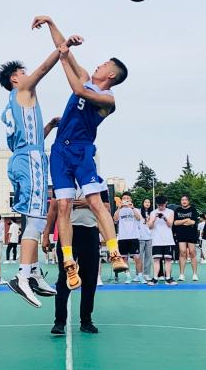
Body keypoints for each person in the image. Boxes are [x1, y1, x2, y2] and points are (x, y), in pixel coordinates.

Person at [47, 29, 130, 289]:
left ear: (111, 75)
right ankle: (69, 263)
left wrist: (63, 58)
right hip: (60, 150)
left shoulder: (107, 99)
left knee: (95, 201)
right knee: (63, 206)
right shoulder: (84, 76)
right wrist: (51, 23)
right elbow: (64, 48)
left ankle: (114, 251)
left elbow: (78, 90)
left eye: (104, 64)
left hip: (82, 151)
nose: (98, 65)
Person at [0, 16, 72, 306]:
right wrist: (61, 46)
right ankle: (22, 276)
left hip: (24, 157)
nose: (27, 74)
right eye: (23, 72)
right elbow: (43, 68)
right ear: (15, 79)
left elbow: (28, 138)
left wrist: (49, 126)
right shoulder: (22, 90)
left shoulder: (13, 106)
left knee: (34, 218)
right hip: (30, 161)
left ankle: (33, 272)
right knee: (37, 219)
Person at [45, 189, 110, 335]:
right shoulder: (62, 183)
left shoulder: (97, 184)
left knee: (90, 278)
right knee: (64, 277)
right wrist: (46, 235)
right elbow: (53, 209)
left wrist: (89, 203)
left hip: (90, 232)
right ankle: (59, 322)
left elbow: (106, 208)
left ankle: (86, 321)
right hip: (67, 234)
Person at [146, 196, 177, 285]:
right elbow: (149, 226)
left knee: (168, 259)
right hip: (156, 240)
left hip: (168, 240)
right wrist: (154, 219)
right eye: (159, 205)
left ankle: (168, 278)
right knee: (156, 259)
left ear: (166, 203)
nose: (161, 207)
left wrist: (164, 218)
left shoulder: (170, 212)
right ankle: (155, 278)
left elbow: (170, 224)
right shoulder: (153, 213)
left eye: (162, 205)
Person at [114, 192, 143, 284]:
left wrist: (132, 208)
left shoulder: (135, 209)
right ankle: (128, 277)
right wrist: (119, 207)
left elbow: (139, 218)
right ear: (122, 200)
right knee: (124, 258)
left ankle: (140, 276)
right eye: (124, 198)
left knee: (137, 257)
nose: (126, 200)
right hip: (122, 237)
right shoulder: (119, 210)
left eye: (128, 198)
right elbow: (115, 219)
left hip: (134, 236)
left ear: (131, 199)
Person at [173, 195, 199, 282]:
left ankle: (195, 274)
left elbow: (193, 222)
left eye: (185, 200)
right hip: (181, 234)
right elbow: (175, 223)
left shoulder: (193, 209)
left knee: (192, 252)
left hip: (192, 234)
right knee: (182, 252)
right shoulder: (178, 210)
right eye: (182, 200)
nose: (184, 201)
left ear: (188, 201)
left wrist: (182, 222)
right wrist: (185, 220)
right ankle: (181, 274)